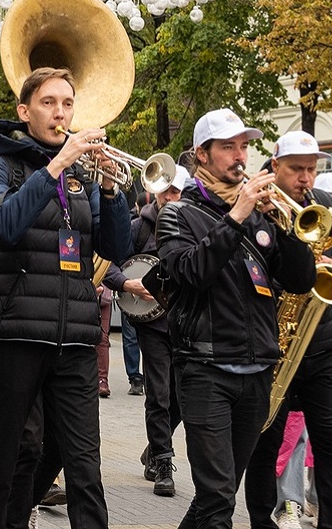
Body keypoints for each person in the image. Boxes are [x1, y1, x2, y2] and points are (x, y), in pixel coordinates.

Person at [0, 68, 133, 529]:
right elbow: (1, 224)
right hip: (17, 331)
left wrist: (110, 190)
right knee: (9, 455)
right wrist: (56, 165)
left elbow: (115, 249)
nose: (60, 112)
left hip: (77, 337)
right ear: (24, 112)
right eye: (48, 103)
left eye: (66, 103)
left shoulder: (83, 173)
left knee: (85, 465)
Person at [155, 108, 316, 529]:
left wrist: (288, 225)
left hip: (257, 370)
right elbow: (190, 272)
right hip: (205, 369)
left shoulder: (261, 213)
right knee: (218, 495)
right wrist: (237, 218)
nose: (240, 155)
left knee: (217, 497)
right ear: (201, 155)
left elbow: (300, 280)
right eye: (228, 147)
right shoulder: (177, 214)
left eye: (244, 146)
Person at [244, 131, 332, 529]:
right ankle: (261, 520)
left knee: (329, 443)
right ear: (275, 168)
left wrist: (326, 260)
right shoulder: (258, 209)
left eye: (311, 169)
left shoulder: (331, 208)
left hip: (319, 342)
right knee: (266, 440)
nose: (305, 178)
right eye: (296, 169)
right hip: (276, 341)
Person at [121, 164, 190, 497]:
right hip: (152, 324)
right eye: (167, 191)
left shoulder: (194, 226)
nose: (171, 197)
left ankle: (154, 446)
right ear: (156, 192)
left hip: (186, 322)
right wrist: (128, 284)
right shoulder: (138, 228)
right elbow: (107, 266)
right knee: (159, 395)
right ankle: (163, 462)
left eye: (177, 191)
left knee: (182, 397)